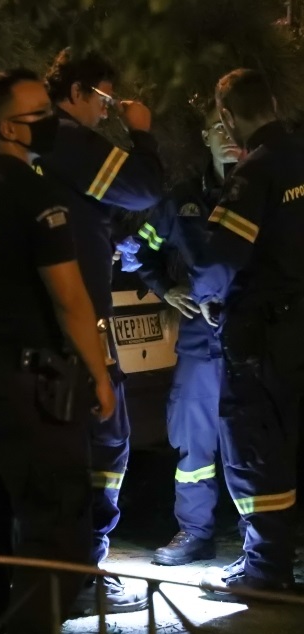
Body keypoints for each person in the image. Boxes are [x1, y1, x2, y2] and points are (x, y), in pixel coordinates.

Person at [0, 68, 115, 634]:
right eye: (40, 112)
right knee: (57, 528)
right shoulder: (35, 195)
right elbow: (70, 299)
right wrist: (99, 373)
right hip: (29, 385)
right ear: (10, 128)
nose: (51, 121)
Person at [37, 48, 164, 612]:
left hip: (60, 319)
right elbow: (142, 187)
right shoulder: (68, 138)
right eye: (105, 99)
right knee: (105, 439)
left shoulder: (44, 147)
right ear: (79, 92)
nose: (108, 111)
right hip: (80, 319)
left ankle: (66, 573)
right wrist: (143, 134)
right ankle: (81, 575)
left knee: (84, 444)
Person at [192, 68, 304, 598]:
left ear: (227, 116)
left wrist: (205, 295)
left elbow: (220, 260)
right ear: (275, 103)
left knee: (255, 446)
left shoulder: (254, 174)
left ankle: (264, 569)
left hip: (264, 337)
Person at [132, 105, 240, 566]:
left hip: (253, 337)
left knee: (255, 440)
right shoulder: (182, 201)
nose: (227, 135)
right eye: (217, 128)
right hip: (200, 342)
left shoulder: (264, 191)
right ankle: (195, 533)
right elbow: (139, 250)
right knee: (193, 440)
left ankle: (260, 542)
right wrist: (166, 288)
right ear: (204, 136)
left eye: (232, 126)